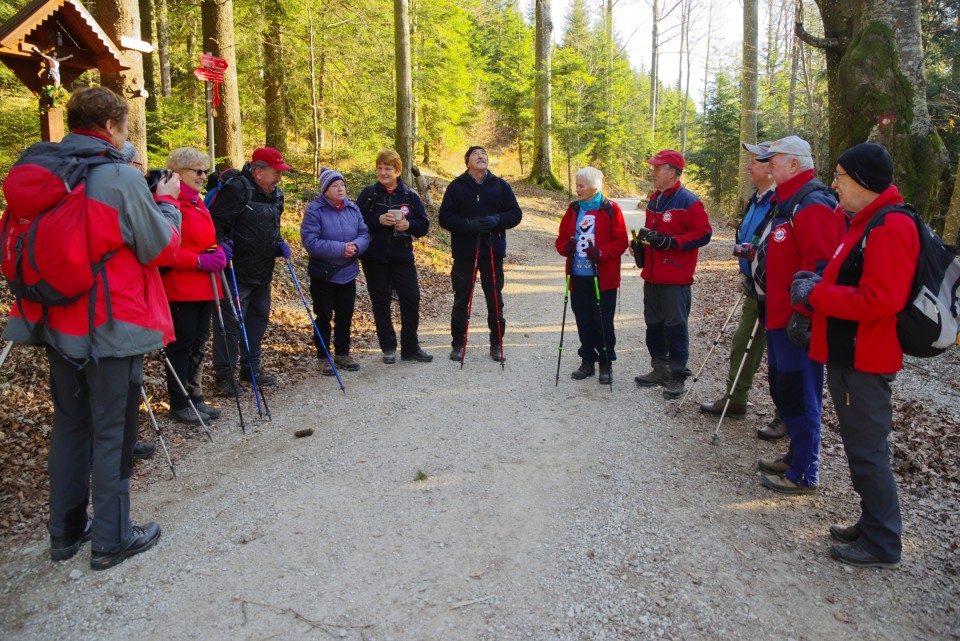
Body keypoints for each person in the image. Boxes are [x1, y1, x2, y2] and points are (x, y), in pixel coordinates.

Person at [2, 87, 181, 569]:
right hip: (111, 323)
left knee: (71, 426)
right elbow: (160, 248)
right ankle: (112, 538)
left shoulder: (44, 173)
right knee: (113, 432)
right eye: (125, 126)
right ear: (109, 126)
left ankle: (65, 532)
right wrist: (167, 205)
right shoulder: (118, 177)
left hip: (55, 320)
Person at [797, 143, 917, 568]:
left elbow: (880, 300)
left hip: (866, 359)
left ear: (864, 182)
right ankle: (871, 523)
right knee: (859, 447)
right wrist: (819, 281)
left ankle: (883, 542)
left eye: (841, 177)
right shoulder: (864, 221)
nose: (834, 184)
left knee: (868, 450)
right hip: (851, 354)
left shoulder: (889, 227)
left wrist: (818, 292)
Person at [752, 135, 847, 495]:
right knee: (784, 389)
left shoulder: (812, 204)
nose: (767, 164)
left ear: (794, 164)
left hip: (798, 322)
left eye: (773, 159)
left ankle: (805, 472)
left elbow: (820, 264)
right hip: (776, 315)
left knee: (801, 391)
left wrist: (803, 315)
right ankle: (794, 456)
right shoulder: (786, 201)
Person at [699, 141, 785, 439]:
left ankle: (785, 414)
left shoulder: (782, 202)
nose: (749, 166)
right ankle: (736, 399)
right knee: (742, 341)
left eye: (755, 162)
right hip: (753, 286)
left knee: (781, 353)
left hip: (777, 291)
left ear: (772, 168)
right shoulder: (757, 199)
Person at [210, 147, 292, 395]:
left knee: (258, 320)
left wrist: (278, 243)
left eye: (280, 173)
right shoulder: (237, 189)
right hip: (235, 271)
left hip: (263, 271)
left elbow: (272, 225)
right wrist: (222, 244)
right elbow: (215, 224)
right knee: (231, 324)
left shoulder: (276, 194)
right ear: (258, 171)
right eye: (275, 172)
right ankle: (224, 377)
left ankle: (251, 368)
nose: (279, 178)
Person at [633, 149, 712, 399]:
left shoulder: (688, 200)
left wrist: (672, 242)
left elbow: (704, 234)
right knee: (653, 326)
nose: (653, 172)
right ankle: (660, 369)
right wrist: (640, 245)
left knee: (675, 327)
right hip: (653, 276)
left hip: (676, 279)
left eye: (657, 168)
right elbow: (654, 233)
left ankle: (677, 376)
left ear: (672, 172)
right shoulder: (655, 199)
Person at [160, 147, 227, 424]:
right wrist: (199, 261)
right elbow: (167, 248)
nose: (202, 176)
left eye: (204, 171)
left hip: (204, 285)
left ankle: (195, 397)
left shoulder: (197, 203)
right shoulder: (169, 203)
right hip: (181, 286)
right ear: (177, 173)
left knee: (199, 344)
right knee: (182, 346)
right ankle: (179, 401)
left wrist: (219, 250)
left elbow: (203, 240)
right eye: (196, 171)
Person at [438, 146, 523, 362]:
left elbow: (515, 214)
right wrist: (468, 225)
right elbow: (445, 218)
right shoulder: (456, 187)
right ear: (467, 162)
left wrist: (497, 220)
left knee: (495, 299)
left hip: (493, 251)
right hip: (465, 253)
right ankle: (458, 344)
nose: (481, 156)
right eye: (476, 154)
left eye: (484, 154)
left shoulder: (501, 186)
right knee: (461, 300)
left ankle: (497, 344)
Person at [356, 150, 433, 364]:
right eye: (380, 168)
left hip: (402, 257)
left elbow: (424, 225)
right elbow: (355, 221)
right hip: (374, 258)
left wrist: (409, 225)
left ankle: (410, 348)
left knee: (411, 299)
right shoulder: (369, 194)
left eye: (388, 168)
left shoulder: (409, 195)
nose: (383, 172)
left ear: (397, 171)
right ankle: (388, 347)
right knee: (380, 302)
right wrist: (378, 220)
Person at [555, 167, 628, 384]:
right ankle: (587, 360)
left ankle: (606, 363)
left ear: (594, 188)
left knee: (603, 321)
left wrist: (602, 252)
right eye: (576, 185)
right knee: (583, 320)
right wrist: (566, 247)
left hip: (603, 277)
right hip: (578, 275)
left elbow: (621, 241)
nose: (576, 190)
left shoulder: (610, 209)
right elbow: (560, 241)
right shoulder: (573, 210)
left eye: (580, 186)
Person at [301, 168, 370, 374]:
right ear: (325, 190)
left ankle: (342, 354)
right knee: (323, 316)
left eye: (342, 185)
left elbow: (364, 233)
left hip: (347, 273)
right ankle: (323, 357)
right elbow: (311, 242)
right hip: (324, 274)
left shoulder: (352, 208)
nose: (340, 189)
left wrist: (356, 246)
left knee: (345, 316)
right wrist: (341, 248)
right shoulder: (315, 210)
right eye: (335, 186)